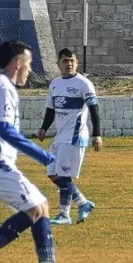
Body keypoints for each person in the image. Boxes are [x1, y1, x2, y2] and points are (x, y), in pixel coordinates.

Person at [0, 41, 71, 263]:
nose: (30, 70)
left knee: (41, 206)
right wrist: (45, 157)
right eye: (29, 64)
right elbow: (5, 130)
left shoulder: (1, 86)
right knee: (34, 209)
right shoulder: (0, 86)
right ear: (19, 63)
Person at [36, 48, 102, 225]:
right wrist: (43, 128)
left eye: (72, 61)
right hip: (60, 137)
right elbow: (51, 109)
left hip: (74, 136)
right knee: (52, 173)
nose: (69, 64)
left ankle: (64, 214)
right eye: (65, 61)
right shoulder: (55, 84)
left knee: (63, 175)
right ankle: (83, 203)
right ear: (58, 64)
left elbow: (94, 109)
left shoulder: (84, 83)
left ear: (77, 62)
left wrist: (97, 134)